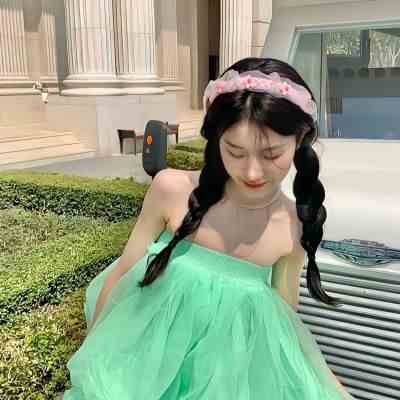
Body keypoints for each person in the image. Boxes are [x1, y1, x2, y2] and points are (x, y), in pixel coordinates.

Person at [61, 57, 356, 399]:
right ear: (217, 138)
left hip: (228, 382)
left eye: (272, 154)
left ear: (300, 138)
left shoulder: (293, 223)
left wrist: (329, 384)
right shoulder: (171, 189)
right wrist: (91, 359)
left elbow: (284, 320)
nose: (252, 172)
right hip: (143, 374)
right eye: (235, 152)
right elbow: (122, 274)